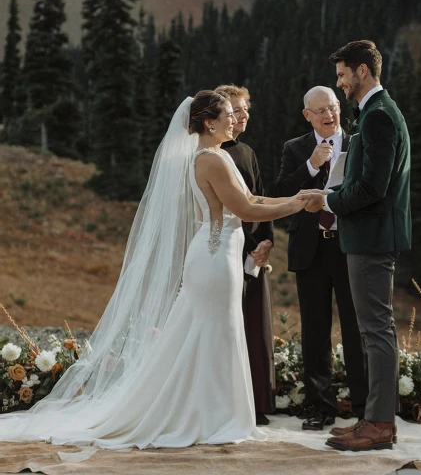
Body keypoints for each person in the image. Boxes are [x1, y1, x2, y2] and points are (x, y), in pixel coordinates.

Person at [0, 91, 305, 448]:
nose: (234, 119)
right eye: (226, 114)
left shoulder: (215, 157)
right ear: (209, 122)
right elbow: (247, 210)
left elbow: (252, 200)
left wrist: (298, 198)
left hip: (220, 255)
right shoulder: (211, 161)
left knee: (212, 334)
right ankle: (209, 416)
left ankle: (214, 413)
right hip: (215, 258)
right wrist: (296, 207)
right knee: (213, 334)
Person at [301, 41, 411, 452]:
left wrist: (326, 200)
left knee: (376, 331)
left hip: (372, 237)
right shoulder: (376, 113)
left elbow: (372, 187)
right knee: (371, 331)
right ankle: (374, 419)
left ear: (362, 72)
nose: (340, 83)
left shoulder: (380, 116)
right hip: (368, 235)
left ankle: (380, 424)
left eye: (342, 74)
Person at [275, 86, 367, 431]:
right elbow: (282, 193)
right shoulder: (295, 148)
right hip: (310, 249)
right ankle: (319, 406)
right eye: (320, 110)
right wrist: (312, 166)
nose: (329, 115)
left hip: (349, 246)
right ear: (307, 116)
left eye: (333, 107)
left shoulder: (358, 143)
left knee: (356, 328)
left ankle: (363, 405)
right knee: (315, 331)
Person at [215, 84, 275, 425]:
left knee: (255, 327)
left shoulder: (247, 152)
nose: (244, 115)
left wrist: (266, 241)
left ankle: (257, 401)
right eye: (237, 110)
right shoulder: (212, 155)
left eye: (246, 109)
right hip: (229, 249)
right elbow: (238, 205)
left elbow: (260, 196)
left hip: (254, 253)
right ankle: (229, 400)